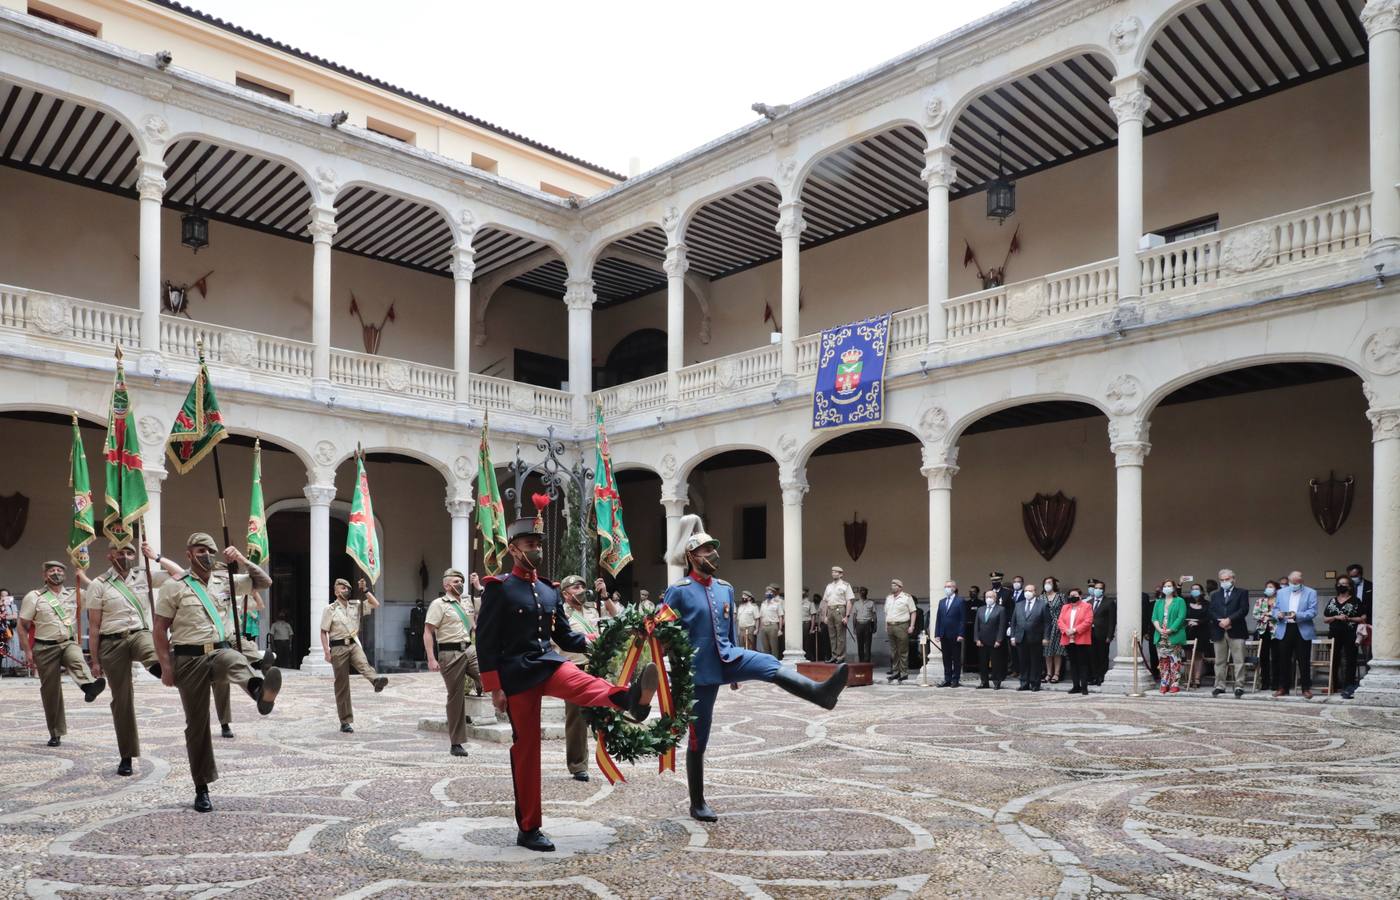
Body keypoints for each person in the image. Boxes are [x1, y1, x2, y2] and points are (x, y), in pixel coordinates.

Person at [476, 512, 658, 853]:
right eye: (530, 544)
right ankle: (529, 828)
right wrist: (494, 687)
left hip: (547, 661)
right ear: (514, 549)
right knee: (528, 750)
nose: (537, 549)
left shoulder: (548, 589)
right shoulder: (499, 589)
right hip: (516, 674)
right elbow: (485, 641)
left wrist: (599, 642)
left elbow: (565, 635)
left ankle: (630, 699)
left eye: (539, 544)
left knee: (584, 683)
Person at [663, 514, 847, 824]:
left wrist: (735, 671)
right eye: (706, 551)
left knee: (768, 663)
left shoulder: (725, 588)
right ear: (692, 556)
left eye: (713, 549)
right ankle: (697, 802)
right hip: (698, 669)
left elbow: (730, 627)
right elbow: (662, 629)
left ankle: (820, 694)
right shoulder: (679, 590)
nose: (713, 555)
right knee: (699, 736)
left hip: (728, 656)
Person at [153, 533, 281, 812]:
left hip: (218, 651)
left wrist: (242, 559)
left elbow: (264, 582)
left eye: (211, 550)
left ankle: (259, 690)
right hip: (188, 659)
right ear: (189, 554)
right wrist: (165, 666)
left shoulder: (226, 582)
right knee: (196, 726)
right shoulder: (174, 587)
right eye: (200, 550)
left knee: (233, 657)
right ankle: (202, 787)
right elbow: (160, 628)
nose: (207, 555)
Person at [85, 541, 183, 775]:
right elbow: (94, 625)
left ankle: (172, 674)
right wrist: (95, 660)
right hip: (111, 642)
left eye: (130, 552)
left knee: (156, 657)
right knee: (122, 700)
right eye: (121, 552)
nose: (126, 556)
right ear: (110, 556)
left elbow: (179, 573)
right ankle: (126, 755)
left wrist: (156, 557)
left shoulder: (144, 576)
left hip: (139, 633)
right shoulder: (99, 584)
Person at [18, 559, 106, 746]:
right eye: (51, 571)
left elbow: (100, 592)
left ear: (65, 575)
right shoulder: (34, 597)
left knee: (77, 659)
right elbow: (22, 625)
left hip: (67, 642)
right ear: (44, 575)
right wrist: (27, 650)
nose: (55, 573)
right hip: (44, 647)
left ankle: (89, 686)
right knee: (51, 691)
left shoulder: (76, 593)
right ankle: (55, 732)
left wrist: (82, 576)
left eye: (59, 570)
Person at [557, 573, 620, 781]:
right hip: (574, 669)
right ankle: (578, 765)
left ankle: (612, 756)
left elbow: (617, 618)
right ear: (566, 593)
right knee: (576, 720)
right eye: (576, 588)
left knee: (610, 710)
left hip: (597, 668)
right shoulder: (561, 614)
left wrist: (605, 597)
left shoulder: (593, 609)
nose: (581, 591)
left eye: (583, 587)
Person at [425, 568, 482, 758]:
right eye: (456, 581)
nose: (460, 584)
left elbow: (484, 612)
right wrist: (431, 658)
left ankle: (480, 684)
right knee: (455, 697)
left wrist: (477, 586)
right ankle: (456, 743)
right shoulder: (438, 604)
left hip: (469, 649)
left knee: (491, 675)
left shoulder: (467, 602)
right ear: (446, 585)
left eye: (461, 581)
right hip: (450, 654)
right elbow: (428, 632)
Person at [321, 577, 388, 733]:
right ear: (336, 591)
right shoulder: (330, 609)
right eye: (343, 588)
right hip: (337, 647)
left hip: (353, 644)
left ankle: (376, 680)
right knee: (342, 684)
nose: (346, 591)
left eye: (348, 589)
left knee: (363, 664)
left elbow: (375, 604)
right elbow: (324, 631)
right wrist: (326, 651)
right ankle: (345, 721)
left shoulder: (355, 606)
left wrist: (365, 590)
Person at [1272, 571, 1317, 699]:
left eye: (1297, 583)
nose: (1294, 585)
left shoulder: (1311, 592)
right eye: (1292, 583)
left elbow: (1313, 612)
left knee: (1303, 660)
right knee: (1283, 660)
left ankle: (1306, 688)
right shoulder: (1281, 592)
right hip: (1285, 628)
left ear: (1301, 582)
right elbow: (1275, 609)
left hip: (1301, 628)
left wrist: (1298, 615)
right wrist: (1278, 615)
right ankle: (1283, 687)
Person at [1208, 569, 1249, 699]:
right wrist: (1220, 621)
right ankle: (1219, 686)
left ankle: (1239, 686)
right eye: (1222, 580)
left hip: (1236, 630)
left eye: (1227, 579)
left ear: (1233, 579)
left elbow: (1244, 609)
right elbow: (1211, 610)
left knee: (1239, 660)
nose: (1224, 582)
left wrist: (1229, 619)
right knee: (1219, 661)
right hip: (1219, 630)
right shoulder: (1215, 594)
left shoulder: (1242, 592)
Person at [1323, 576, 1365, 699]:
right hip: (1334, 633)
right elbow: (1325, 619)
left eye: (1344, 584)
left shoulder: (1355, 600)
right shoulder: (1332, 601)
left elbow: (1363, 618)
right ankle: (1333, 685)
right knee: (1334, 659)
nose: (1341, 586)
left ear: (1350, 586)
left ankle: (1349, 686)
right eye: (1339, 583)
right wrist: (1336, 617)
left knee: (1350, 659)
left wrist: (1349, 618)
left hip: (1350, 633)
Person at [1150, 580, 1187, 694]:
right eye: (1165, 586)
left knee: (1174, 660)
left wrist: (1171, 630)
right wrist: (1159, 629)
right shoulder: (1159, 602)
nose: (1167, 588)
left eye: (1169, 586)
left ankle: (1174, 683)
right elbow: (1154, 617)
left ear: (1174, 588)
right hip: (1160, 635)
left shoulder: (1179, 601)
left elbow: (1181, 617)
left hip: (1173, 635)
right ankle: (1164, 683)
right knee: (1163, 661)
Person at [1010, 583, 1046, 691]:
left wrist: (1046, 637)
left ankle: (1035, 683)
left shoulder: (1042, 604)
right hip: (1021, 637)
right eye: (1026, 590)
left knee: (1035, 662)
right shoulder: (1019, 604)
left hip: (1036, 638)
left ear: (1035, 592)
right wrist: (1012, 636)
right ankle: (1024, 683)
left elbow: (1047, 623)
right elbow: (1013, 622)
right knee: (1023, 662)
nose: (1027, 593)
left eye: (1030, 591)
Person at [1058, 587, 1093, 694]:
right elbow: (1060, 621)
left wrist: (1075, 630)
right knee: (1073, 663)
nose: (1072, 597)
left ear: (1080, 596)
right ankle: (1075, 686)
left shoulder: (1087, 606)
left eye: (1075, 595)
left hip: (1081, 638)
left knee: (1082, 663)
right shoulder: (1065, 607)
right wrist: (1066, 631)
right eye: (1071, 595)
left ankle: (1084, 687)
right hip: (1068, 638)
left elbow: (1088, 621)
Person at [933, 580, 965, 687]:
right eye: (945, 586)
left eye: (949, 586)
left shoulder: (960, 601)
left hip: (955, 634)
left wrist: (961, 634)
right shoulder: (942, 601)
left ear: (954, 588)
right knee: (946, 658)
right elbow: (938, 618)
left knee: (956, 658)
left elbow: (962, 619)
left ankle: (956, 679)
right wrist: (937, 633)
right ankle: (947, 679)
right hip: (944, 634)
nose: (947, 588)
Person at [819, 566, 855, 663]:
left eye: (836, 572)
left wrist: (847, 616)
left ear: (841, 574)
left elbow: (849, 601)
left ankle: (840, 656)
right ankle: (834, 656)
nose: (833, 573)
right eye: (833, 572)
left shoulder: (845, 585)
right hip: (830, 610)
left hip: (840, 609)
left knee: (840, 635)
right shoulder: (829, 586)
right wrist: (824, 616)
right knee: (832, 635)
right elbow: (825, 601)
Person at [974, 589, 1007, 689]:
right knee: (983, 663)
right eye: (987, 597)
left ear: (995, 598)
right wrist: (976, 639)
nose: (988, 599)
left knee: (996, 662)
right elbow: (976, 625)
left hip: (994, 641)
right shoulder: (980, 609)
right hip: (982, 641)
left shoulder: (1001, 609)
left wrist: (999, 640)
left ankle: (996, 681)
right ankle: (984, 681)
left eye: (991, 597)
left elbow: (1002, 626)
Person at [884, 578, 916, 682]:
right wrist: (886, 624)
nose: (892, 587)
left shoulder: (907, 597)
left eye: (894, 585)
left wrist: (911, 626)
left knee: (903, 650)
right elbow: (886, 612)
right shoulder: (889, 598)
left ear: (899, 587)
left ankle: (904, 672)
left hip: (902, 625)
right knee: (894, 651)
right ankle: (895, 672)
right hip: (890, 626)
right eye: (891, 585)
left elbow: (913, 612)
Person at [1087, 579, 1114, 685]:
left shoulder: (1109, 602)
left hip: (1102, 634)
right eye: (1096, 588)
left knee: (1102, 656)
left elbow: (1112, 620)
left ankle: (1102, 676)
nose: (1097, 590)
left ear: (1103, 590)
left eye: (1100, 588)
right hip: (1090, 633)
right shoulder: (1089, 602)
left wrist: (1110, 635)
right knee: (1092, 656)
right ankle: (1094, 676)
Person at [1252, 582, 1278, 690]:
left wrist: (1271, 616)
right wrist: (1264, 616)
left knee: (1276, 657)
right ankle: (1265, 682)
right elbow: (1255, 614)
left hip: (1276, 631)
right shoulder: (1260, 601)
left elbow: (1283, 613)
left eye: (1271, 587)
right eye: (1267, 587)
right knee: (1264, 657)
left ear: (1276, 589)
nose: (1268, 589)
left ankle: (1275, 683)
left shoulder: (1280, 601)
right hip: (1263, 631)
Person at [1184, 583, 1210, 689]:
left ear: (1202, 591)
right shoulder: (1186, 602)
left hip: (1201, 631)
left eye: (1197, 589)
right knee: (1188, 656)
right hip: (1188, 631)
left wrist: (1198, 622)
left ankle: (1197, 679)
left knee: (1199, 656)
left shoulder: (1207, 604)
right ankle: (1189, 678)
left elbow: (1209, 616)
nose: (1195, 591)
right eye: (1193, 589)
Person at [1040, 577, 1065, 684]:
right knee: (1047, 651)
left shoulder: (1060, 596)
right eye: (1045, 582)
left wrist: (1062, 624)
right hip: (1045, 626)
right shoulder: (1041, 597)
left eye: (1049, 582)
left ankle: (1056, 674)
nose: (1047, 584)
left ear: (1054, 584)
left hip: (1058, 626)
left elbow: (1065, 610)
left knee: (1057, 651)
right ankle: (1048, 673)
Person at [852, 586, 877, 663]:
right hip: (859, 625)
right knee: (860, 645)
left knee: (868, 645)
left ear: (867, 592)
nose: (862, 592)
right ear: (859, 593)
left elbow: (874, 615)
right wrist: (854, 628)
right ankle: (861, 662)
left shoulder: (871, 603)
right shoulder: (856, 603)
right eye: (861, 591)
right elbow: (854, 616)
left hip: (868, 625)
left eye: (864, 591)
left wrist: (875, 626)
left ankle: (867, 662)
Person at [758, 584, 783, 658]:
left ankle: (775, 662)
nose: (768, 593)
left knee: (774, 647)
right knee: (765, 647)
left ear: (774, 593)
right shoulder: (763, 604)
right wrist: (760, 628)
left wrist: (780, 629)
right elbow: (761, 617)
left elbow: (780, 616)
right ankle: (767, 663)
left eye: (770, 592)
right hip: (764, 626)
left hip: (773, 626)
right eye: (767, 592)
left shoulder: (777, 604)